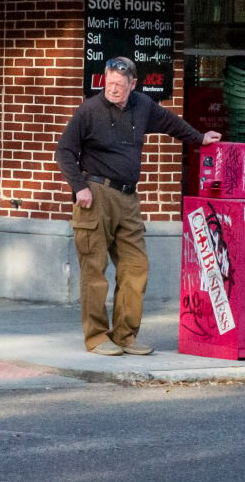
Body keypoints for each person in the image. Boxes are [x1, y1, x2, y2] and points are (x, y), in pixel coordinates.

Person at [54, 56, 221, 356]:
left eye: (120, 84)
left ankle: (125, 335)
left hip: (128, 198)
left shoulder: (143, 106)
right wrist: (79, 187)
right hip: (95, 194)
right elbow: (64, 150)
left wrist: (200, 138)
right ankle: (96, 337)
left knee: (136, 265)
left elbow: (171, 123)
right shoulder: (88, 111)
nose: (113, 89)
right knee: (95, 269)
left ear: (133, 84)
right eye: (110, 82)